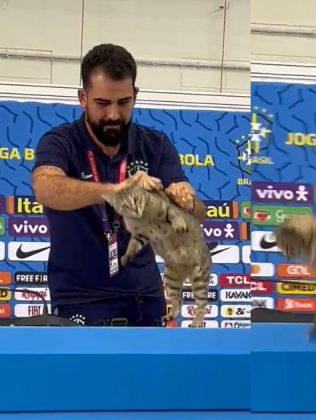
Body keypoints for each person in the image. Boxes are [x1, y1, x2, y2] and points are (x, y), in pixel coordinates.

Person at [31, 44, 206, 326]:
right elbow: (47, 188)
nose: (113, 114)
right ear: (82, 98)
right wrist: (115, 191)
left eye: (123, 103)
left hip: (146, 298)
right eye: (102, 103)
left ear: (135, 96)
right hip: (80, 299)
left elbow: (197, 213)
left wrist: (181, 200)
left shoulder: (155, 144)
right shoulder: (60, 142)